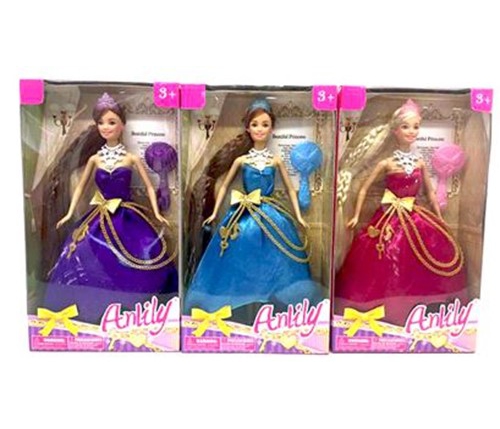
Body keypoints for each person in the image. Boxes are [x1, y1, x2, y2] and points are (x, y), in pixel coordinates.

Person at [183, 98, 323, 321]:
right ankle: (236, 302)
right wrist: (214, 213)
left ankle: (277, 305)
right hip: (243, 213)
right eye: (255, 124)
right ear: (247, 128)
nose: (260, 129)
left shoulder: (276, 161)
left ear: (272, 128)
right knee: (236, 252)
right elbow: (225, 185)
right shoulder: (241, 160)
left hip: (270, 213)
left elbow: (289, 189)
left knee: (279, 259)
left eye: (265, 124)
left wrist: (298, 216)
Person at [44, 93, 178, 324]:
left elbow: (149, 186)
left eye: (112, 122)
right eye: (101, 122)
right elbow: (80, 187)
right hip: (100, 215)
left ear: (122, 125)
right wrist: (69, 213)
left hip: (126, 216)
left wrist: (156, 213)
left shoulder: (131, 158)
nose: (106, 127)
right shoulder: (95, 159)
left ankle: (136, 310)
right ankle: (89, 309)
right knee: (83, 253)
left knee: (142, 256)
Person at [335, 99, 467, 326]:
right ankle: (383, 307)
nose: (411, 131)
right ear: (395, 130)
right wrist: (356, 215)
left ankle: (419, 308)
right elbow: (364, 188)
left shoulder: (419, 163)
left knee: (421, 258)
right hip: (388, 216)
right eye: (406, 127)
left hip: (413, 215)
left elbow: (431, 193)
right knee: (381, 258)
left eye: (416, 126)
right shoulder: (387, 163)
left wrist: (439, 218)